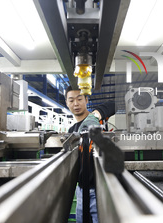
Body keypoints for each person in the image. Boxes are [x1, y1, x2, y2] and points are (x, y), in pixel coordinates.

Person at [65, 86, 115, 223]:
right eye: (71, 100)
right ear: (67, 103)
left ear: (86, 100)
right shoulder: (72, 130)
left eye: (79, 99)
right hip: (81, 190)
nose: (76, 103)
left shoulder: (98, 121)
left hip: (102, 188)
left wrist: (95, 115)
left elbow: (114, 104)